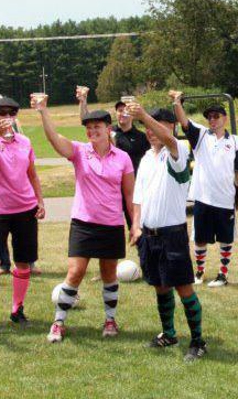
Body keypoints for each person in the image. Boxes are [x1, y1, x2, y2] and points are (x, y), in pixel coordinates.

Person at [33, 94, 135, 343]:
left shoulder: (122, 158)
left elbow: (129, 194)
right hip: (84, 223)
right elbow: (55, 140)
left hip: (111, 224)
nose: (92, 132)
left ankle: (110, 320)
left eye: (97, 127)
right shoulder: (79, 152)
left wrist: (135, 225)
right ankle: (58, 322)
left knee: (109, 274)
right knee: (76, 272)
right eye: (89, 128)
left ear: (108, 129)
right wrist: (43, 111)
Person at [128, 103, 207, 362]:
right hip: (149, 235)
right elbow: (138, 196)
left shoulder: (178, 150)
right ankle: (169, 334)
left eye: (160, 125)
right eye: (149, 126)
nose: (152, 131)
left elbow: (169, 140)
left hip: (172, 233)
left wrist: (143, 117)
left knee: (183, 288)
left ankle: (198, 341)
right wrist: (136, 225)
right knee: (160, 287)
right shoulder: (146, 158)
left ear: (171, 127)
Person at [169, 90, 238, 287]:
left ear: (225, 118)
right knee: (200, 239)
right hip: (203, 197)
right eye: (209, 117)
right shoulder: (201, 135)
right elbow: (184, 121)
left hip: (226, 199)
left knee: (225, 239)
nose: (212, 120)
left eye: (216, 116)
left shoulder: (235, 141)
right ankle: (199, 273)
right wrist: (177, 102)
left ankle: (222, 274)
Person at [0, 95, 45, 323]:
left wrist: (40, 200)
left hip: (25, 208)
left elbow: (32, 173)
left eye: (11, 114)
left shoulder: (24, 142)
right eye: (2, 114)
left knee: (24, 261)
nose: (7, 118)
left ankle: (17, 309)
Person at [77, 88, 149, 228]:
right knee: (109, 224)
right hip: (112, 186)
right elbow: (86, 121)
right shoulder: (110, 132)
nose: (122, 113)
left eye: (126, 110)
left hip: (133, 188)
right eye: (120, 110)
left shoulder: (141, 137)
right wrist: (83, 101)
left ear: (132, 114)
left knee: (137, 225)